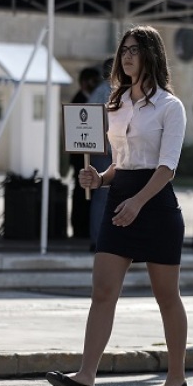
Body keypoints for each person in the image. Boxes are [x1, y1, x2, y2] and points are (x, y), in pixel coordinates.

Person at [46, 25, 189, 386]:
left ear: (151, 56)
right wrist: (99, 178)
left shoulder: (170, 106)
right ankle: (86, 376)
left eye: (135, 50)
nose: (126, 56)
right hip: (120, 199)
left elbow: (167, 166)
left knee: (167, 296)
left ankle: (177, 377)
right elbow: (121, 163)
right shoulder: (115, 102)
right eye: (124, 50)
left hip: (155, 205)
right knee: (102, 290)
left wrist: (138, 202)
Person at [69, 67, 102, 239]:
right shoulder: (79, 100)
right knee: (81, 192)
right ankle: (79, 227)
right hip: (80, 155)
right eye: (93, 81)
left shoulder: (92, 97)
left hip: (91, 153)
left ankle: (86, 226)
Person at [86, 59, 115, 252]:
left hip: (103, 150)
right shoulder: (107, 92)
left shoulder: (100, 91)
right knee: (103, 196)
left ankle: (101, 237)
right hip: (106, 151)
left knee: (103, 196)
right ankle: (98, 238)